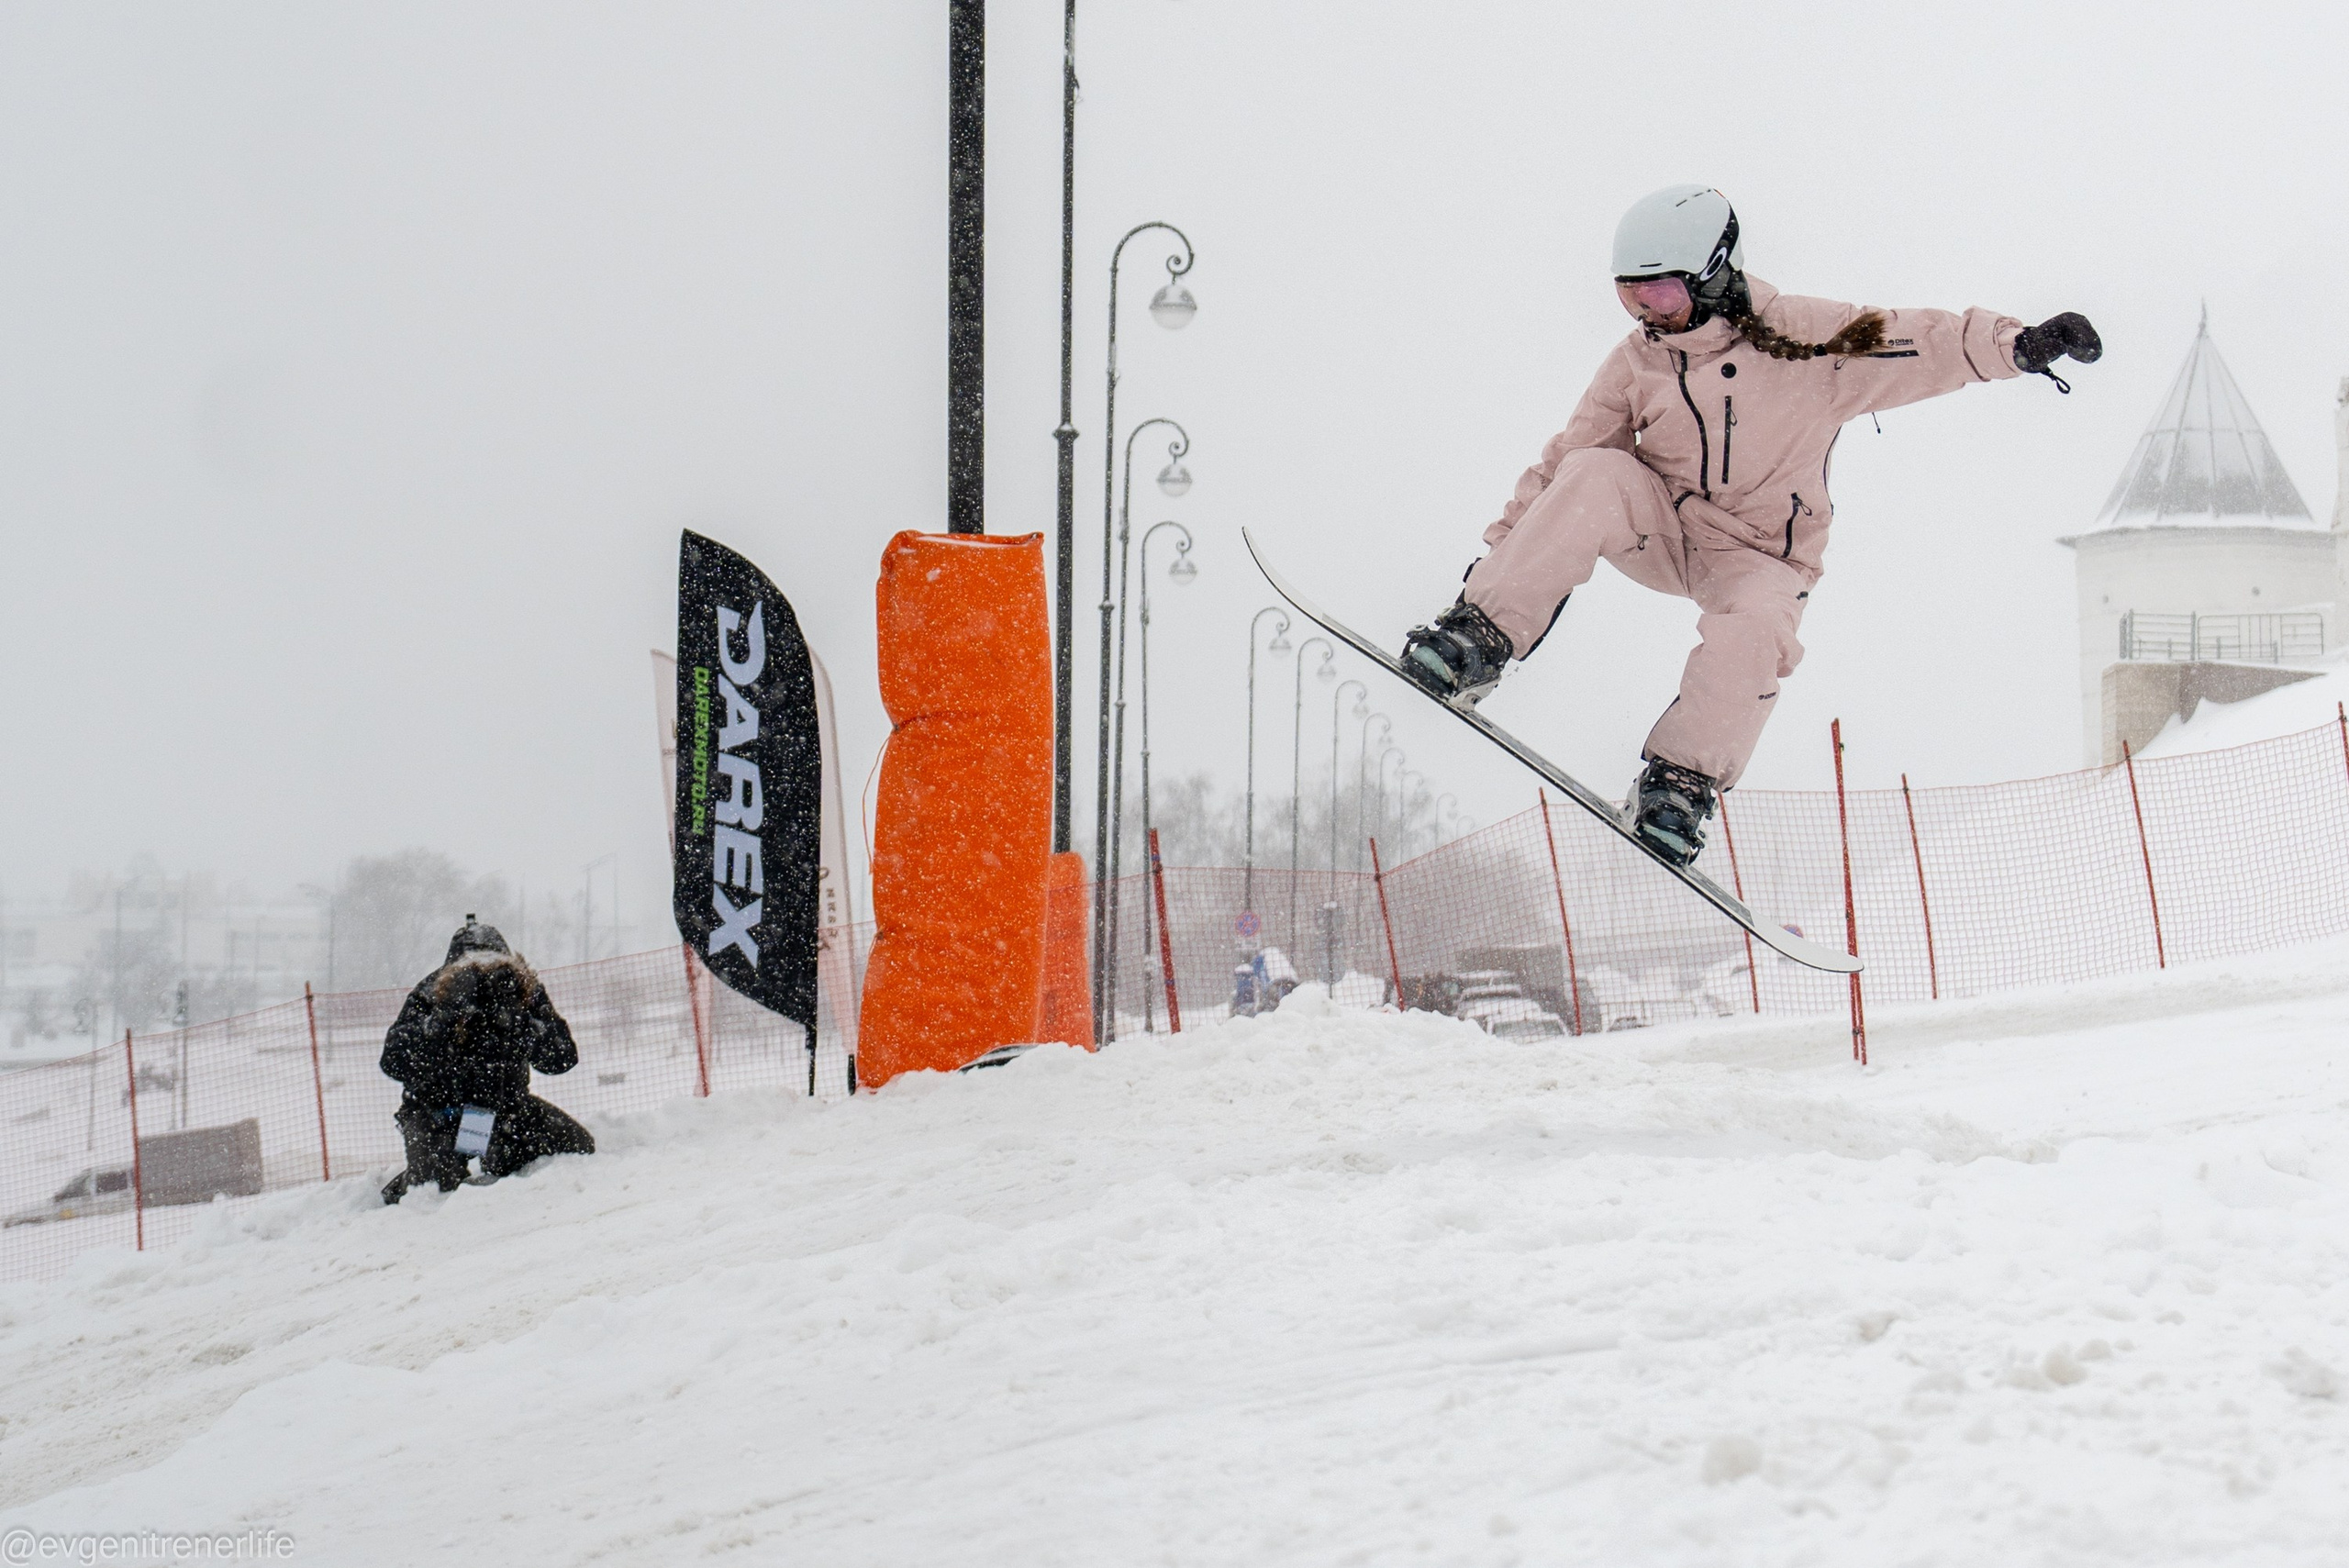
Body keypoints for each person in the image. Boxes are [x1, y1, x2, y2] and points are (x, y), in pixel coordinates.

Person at [1401, 185, 2100, 865]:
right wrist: (1498, 560)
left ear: (1711, 274)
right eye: (1629, 294)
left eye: (1662, 293)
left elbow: (1918, 341)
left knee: (1759, 625)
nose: (1647, 311)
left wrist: (2020, 345)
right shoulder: (1636, 362)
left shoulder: (1808, 338)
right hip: (1668, 530)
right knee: (1591, 470)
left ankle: (1680, 786)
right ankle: (1478, 638)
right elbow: (1560, 468)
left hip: (1762, 555)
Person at [378, 916, 595, 1204]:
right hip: (436, 1114)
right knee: (434, 1187)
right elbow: (393, 1062)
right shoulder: (430, 995)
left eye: (493, 966)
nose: (485, 977)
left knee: (576, 1146)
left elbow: (562, 1059)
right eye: (473, 969)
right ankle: (403, 1189)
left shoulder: (521, 991)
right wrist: (445, 1017)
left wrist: (528, 1023)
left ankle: (496, 1158)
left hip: (501, 1110)